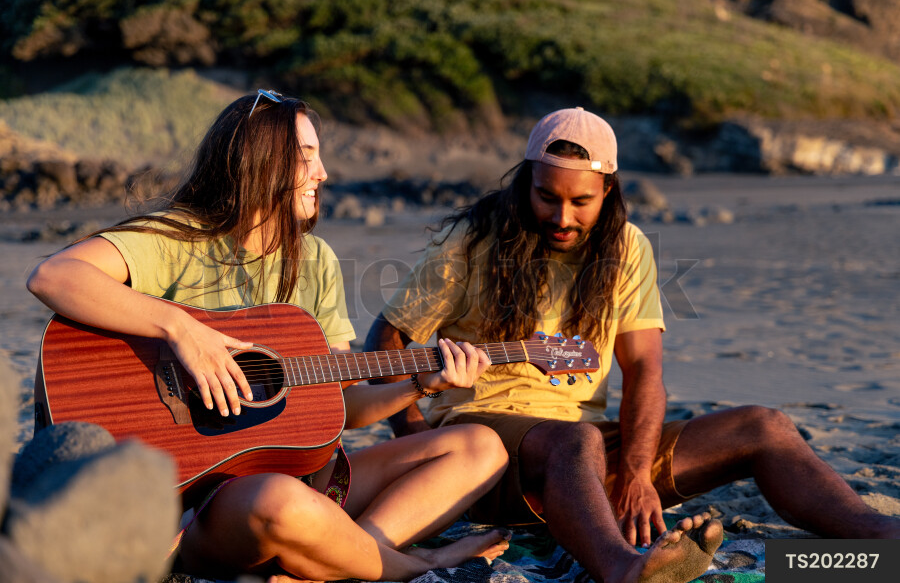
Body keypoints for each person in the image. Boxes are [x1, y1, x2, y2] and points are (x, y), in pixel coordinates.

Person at [365, 107, 900, 583]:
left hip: (581, 459)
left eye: (581, 202)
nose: (563, 217)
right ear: (524, 182)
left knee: (764, 426)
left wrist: (640, 475)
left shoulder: (626, 246)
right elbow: (385, 340)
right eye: (547, 197)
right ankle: (624, 570)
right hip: (484, 456)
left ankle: (877, 539)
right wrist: (418, 449)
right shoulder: (471, 242)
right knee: (579, 444)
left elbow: (644, 370)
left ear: (610, 192)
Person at [26, 89, 512, 583]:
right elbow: (54, 276)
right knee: (281, 504)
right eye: (306, 157)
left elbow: (344, 406)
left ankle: (335, 557)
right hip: (197, 505)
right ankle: (414, 567)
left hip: (306, 482)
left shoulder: (315, 258)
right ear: (258, 162)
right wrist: (183, 331)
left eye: (318, 157)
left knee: (481, 448)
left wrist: (421, 384)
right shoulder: (175, 238)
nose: (321, 173)